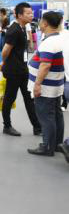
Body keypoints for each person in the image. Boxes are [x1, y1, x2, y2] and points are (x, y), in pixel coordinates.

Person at [0, 2, 41, 137]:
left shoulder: (22, 28)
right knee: (9, 98)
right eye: (28, 13)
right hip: (13, 71)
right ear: (19, 15)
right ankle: (7, 126)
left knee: (29, 98)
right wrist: (4, 62)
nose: (31, 15)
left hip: (22, 68)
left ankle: (37, 127)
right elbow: (5, 51)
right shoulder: (14, 30)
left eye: (31, 13)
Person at [26, 11, 65, 156]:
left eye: (41, 21)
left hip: (46, 86)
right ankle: (57, 144)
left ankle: (47, 146)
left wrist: (37, 85)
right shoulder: (59, 38)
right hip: (56, 84)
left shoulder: (49, 42)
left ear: (45, 23)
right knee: (56, 115)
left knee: (46, 116)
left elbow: (45, 65)